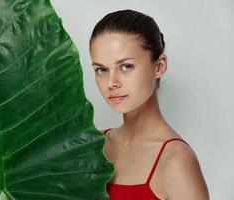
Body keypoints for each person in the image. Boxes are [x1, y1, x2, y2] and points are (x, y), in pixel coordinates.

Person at [89, 9, 209, 200]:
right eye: (102, 70)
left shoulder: (175, 160)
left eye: (126, 66)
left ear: (159, 67)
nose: (112, 82)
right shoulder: (93, 145)